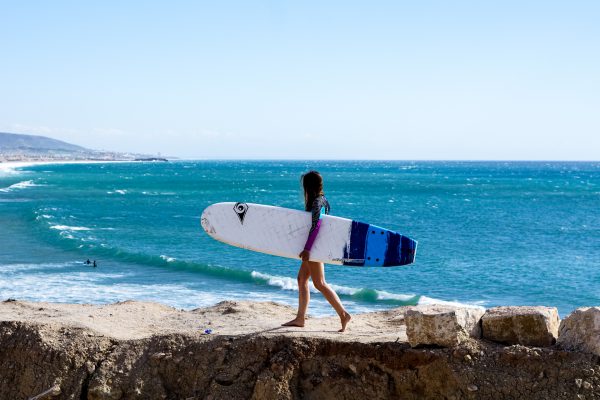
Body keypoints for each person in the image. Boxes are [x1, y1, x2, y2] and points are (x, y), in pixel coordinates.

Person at [282, 170, 352, 332]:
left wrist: (307, 249)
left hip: (314, 247)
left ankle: (343, 314)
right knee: (302, 279)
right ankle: (300, 318)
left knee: (320, 283)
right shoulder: (322, 200)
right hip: (316, 246)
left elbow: (317, 226)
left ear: (309, 186)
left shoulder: (317, 203)